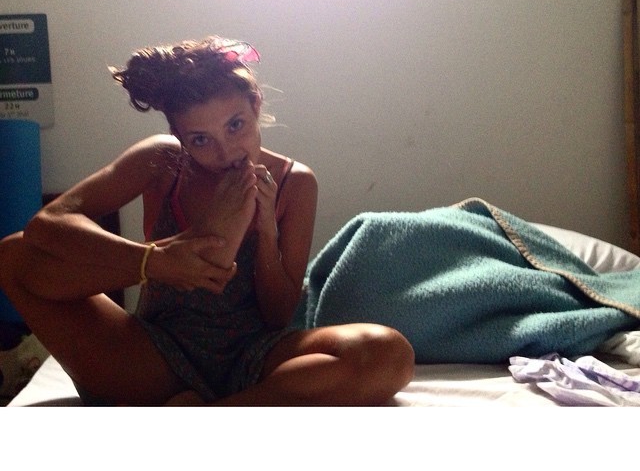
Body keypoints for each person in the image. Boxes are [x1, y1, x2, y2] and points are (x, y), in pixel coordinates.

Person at [0, 35, 415, 406]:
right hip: (155, 356)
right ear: (179, 136)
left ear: (255, 105)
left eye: (236, 125)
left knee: (387, 353)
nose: (226, 151)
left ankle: (210, 416)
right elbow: (47, 224)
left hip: (257, 357)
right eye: (200, 140)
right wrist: (154, 262)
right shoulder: (161, 161)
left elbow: (277, 317)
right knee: (14, 255)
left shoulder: (295, 182)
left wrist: (266, 229)